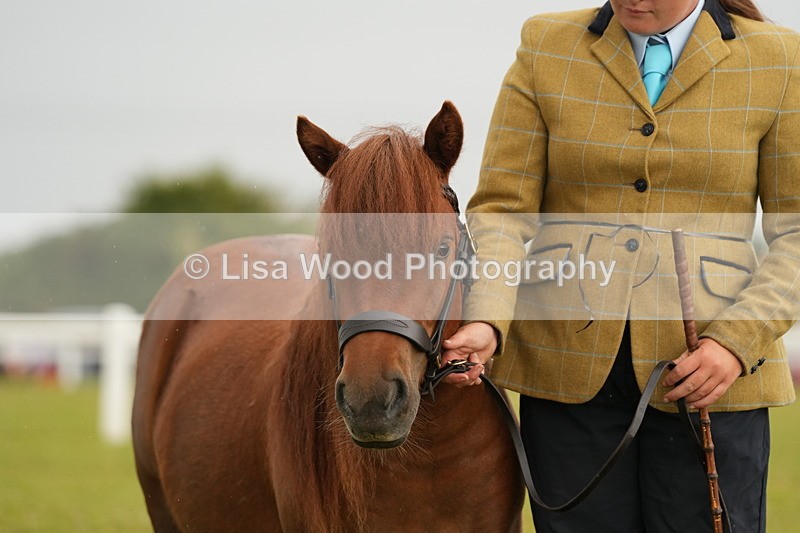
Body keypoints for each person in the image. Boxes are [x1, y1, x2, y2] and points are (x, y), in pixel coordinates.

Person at [442, 1, 799, 531]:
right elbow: (503, 209)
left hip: (709, 375)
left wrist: (736, 341)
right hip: (566, 367)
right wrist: (487, 316)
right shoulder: (545, 43)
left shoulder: (780, 57)